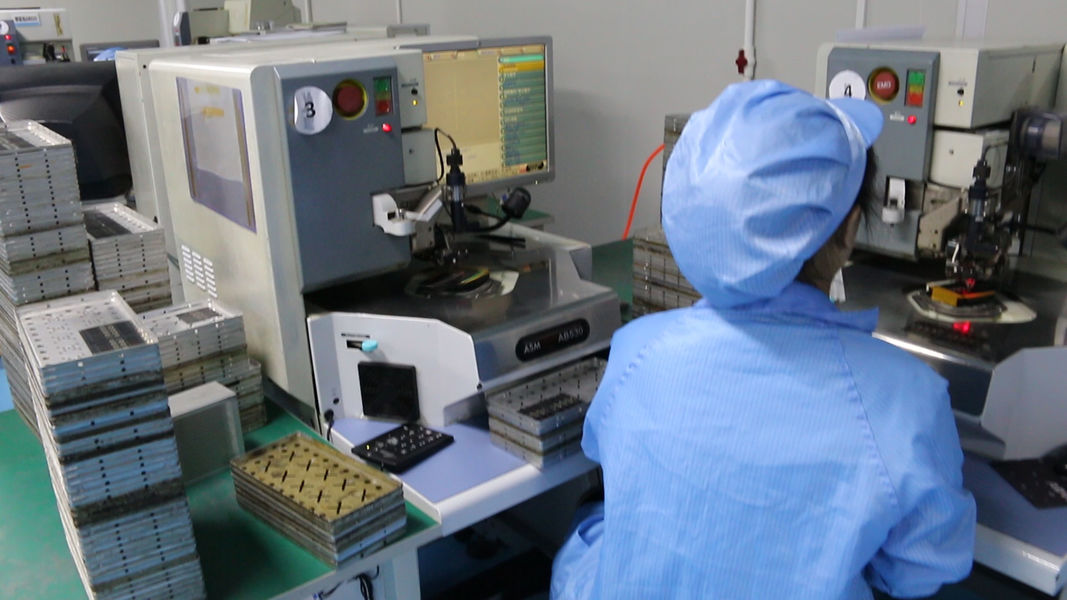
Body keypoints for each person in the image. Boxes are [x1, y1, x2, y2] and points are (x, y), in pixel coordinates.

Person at [550, 80, 976, 600]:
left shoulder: (638, 351)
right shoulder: (906, 399)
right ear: (848, 232)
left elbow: (611, 464)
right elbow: (922, 569)